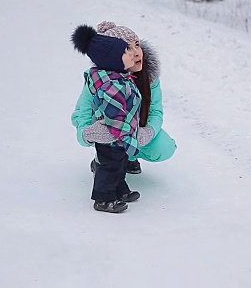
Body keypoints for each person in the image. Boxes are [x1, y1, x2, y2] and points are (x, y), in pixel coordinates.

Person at [71, 21, 176, 176]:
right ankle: (103, 158)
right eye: (128, 49)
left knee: (165, 147)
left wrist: (147, 132)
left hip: (134, 129)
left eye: (137, 45)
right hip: (109, 129)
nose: (137, 53)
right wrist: (87, 134)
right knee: (110, 130)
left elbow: (156, 112)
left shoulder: (149, 77)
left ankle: (129, 156)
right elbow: (81, 114)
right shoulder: (98, 80)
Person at [71, 23, 143, 213]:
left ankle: (120, 189)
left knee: (119, 165)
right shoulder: (112, 86)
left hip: (118, 135)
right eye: (126, 51)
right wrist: (127, 138)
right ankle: (103, 198)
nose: (132, 54)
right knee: (109, 167)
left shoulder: (119, 78)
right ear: (113, 60)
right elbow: (116, 117)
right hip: (112, 135)